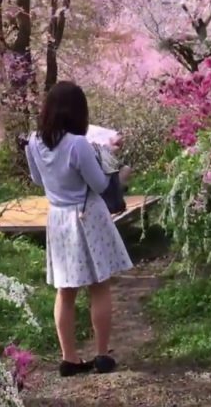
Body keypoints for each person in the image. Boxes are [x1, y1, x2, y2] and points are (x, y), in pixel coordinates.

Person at [25, 81, 134, 377]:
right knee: (99, 286)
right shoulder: (78, 143)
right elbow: (99, 184)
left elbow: (37, 179)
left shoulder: (34, 141)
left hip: (58, 219)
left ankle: (69, 358)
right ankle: (101, 355)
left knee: (66, 291)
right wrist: (113, 165)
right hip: (87, 216)